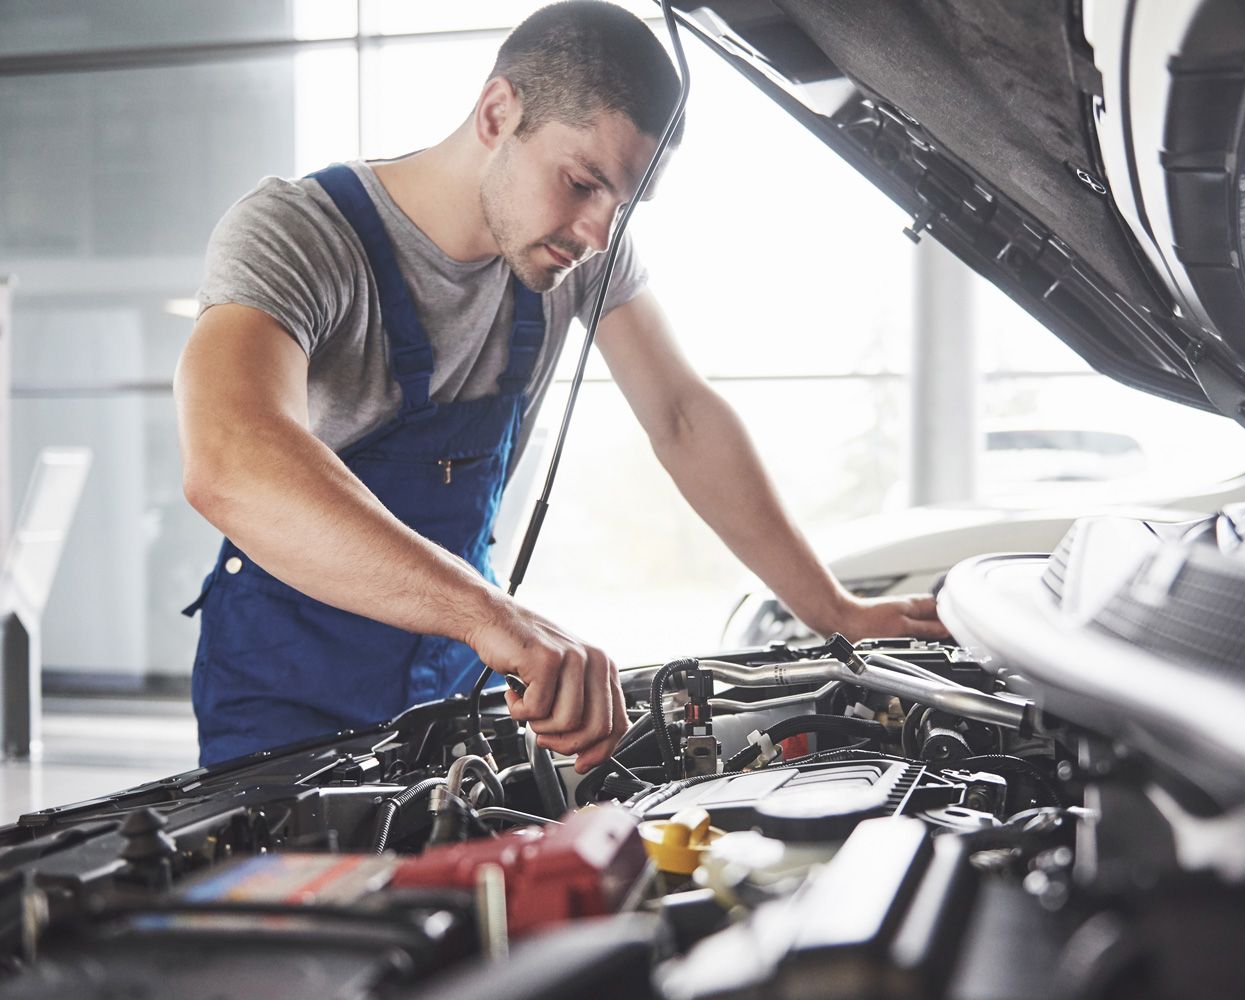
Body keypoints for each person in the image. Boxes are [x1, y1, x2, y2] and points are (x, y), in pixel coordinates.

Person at [175, 0, 944, 773]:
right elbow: (231, 459)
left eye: (624, 204)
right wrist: (488, 614)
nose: (599, 236)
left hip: (447, 678)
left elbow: (682, 416)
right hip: (284, 685)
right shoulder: (299, 234)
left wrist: (834, 612)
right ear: (497, 111)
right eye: (582, 182)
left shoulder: (570, 256)